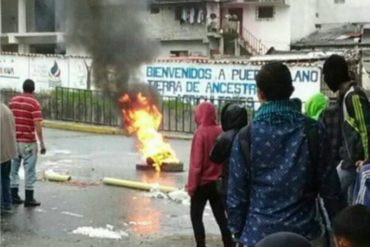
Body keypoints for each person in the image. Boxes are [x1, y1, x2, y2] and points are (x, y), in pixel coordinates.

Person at [227, 62, 344, 246]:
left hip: (257, 236)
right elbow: (331, 190)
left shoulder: (246, 137)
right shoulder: (313, 131)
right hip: (305, 236)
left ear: (260, 94)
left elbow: (236, 197)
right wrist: (341, 234)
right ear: (291, 90)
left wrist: (238, 233)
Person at [323, 54, 370, 205]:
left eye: (326, 75)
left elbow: (365, 127)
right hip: (350, 160)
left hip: (355, 162)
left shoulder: (353, 95)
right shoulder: (346, 96)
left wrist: (367, 159)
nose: (325, 80)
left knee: (330, 193)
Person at [186, 101, 233, 247]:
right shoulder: (220, 131)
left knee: (196, 217)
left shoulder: (200, 133)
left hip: (202, 184)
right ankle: (228, 243)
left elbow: (196, 165)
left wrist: (191, 187)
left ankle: (201, 245)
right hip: (217, 183)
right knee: (221, 217)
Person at [9, 79, 46, 207]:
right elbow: (37, 124)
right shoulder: (34, 104)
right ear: (33, 90)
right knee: (29, 170)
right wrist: (42, 143)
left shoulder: (12, 101)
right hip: (28, 142)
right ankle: (29, 198)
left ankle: (13, 195)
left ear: (23, 88)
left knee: (13, 169)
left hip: (14, 141)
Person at [210, 103, 248, 201]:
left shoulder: (225, 137)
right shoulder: (249, 133)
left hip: (229, 183)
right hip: (247, 184)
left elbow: (214, 157)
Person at [0, 103, 17, 214]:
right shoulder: (6, 109)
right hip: (8, 150)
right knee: (5, 178)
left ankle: (1, 205)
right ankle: (7, 204)